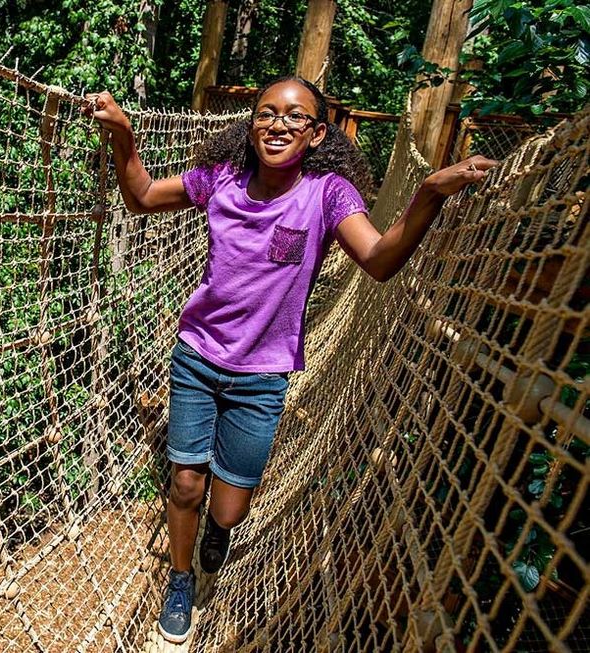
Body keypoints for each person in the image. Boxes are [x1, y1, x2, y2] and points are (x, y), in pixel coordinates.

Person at [84, 76, 497, 644]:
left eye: (295, 116)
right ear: (250, 125)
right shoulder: (220, 180)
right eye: (266, 113)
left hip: (262, 376)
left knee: (228, 510)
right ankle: (181, 581)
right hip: (198, 355)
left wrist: (427, 192)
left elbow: (378, 259)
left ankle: (218, 532)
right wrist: (124, 138)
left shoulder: (327, 195)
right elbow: (144, 196)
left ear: (317, 132)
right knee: (185, 485)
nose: (278, 124)